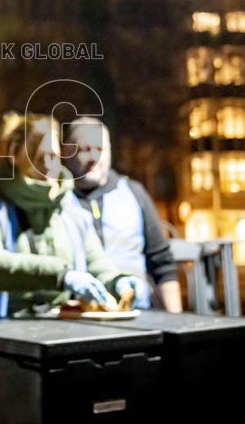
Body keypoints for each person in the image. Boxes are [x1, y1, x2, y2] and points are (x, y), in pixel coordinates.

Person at [0, 112, 144, 317]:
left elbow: (95, 261)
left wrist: (117, 281)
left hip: (59, 328)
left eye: (53, 156)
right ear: (13, 156)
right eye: (37, 157)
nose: (48, 165)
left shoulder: (69, 207)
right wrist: (61, 275)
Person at [63, 117, 182, 312]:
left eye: (100, 149)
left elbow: (162, 264)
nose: (94, 157)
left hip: (137, 311)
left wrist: (177, 324)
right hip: (77, 315)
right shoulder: (55, 201)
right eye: (84, 149)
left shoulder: (133, 193)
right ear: (66, 152)